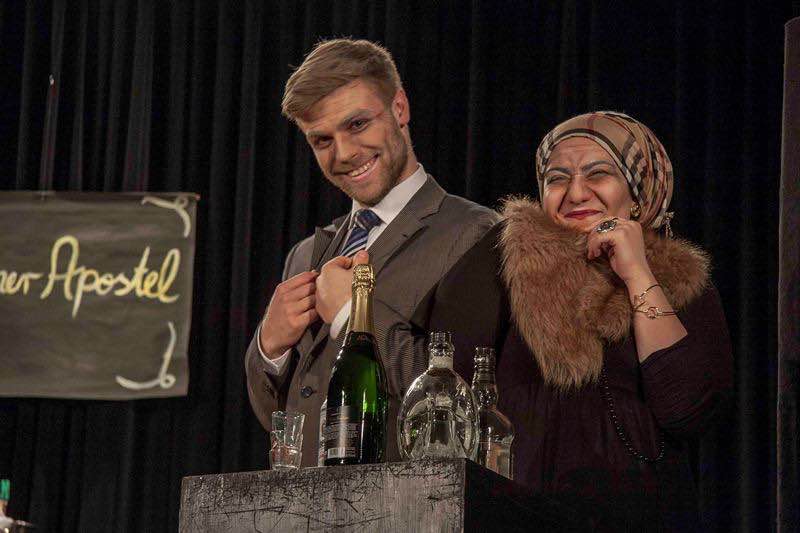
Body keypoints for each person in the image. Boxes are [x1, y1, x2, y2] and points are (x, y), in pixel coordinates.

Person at [427, 111, 733, 530]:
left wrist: (637, 272)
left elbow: (687, 409)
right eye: (557, 178)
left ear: (638, 194)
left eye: (598, 173)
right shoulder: (503, 262)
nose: (575, 193)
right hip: (518, 516)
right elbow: (447, 391)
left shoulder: (683, 280)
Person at [244, 38, 499, 466]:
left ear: (399, 108)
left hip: (405, 501)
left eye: (358, 124)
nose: (344, 153)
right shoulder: (305, 255)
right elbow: (279, 419)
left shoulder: (475, 232)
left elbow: (463, 410)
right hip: (301, 500)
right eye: (322, 140)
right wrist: (269, 347)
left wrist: (351, 314)